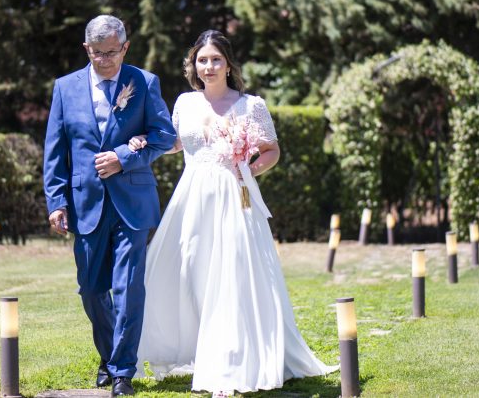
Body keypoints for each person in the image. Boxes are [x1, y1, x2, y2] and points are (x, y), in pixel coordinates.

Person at [131, 30, 336, 395]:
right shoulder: (185, 103)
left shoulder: (250, 105)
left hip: (236, 198)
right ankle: (191, 348)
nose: (208, 66)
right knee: (189, 272)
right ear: (193, 65)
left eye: (215, 60)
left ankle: (228, 365)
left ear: (228, 65)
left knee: (232, 275)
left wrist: (247, 168)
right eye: (202, 60)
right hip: (192, 198)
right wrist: (144, 141)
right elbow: (175, 144)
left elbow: (271, 150)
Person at [43, 15, 177, 397]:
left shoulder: (144, 82)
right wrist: (56, 201)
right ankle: (108, 356)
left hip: (132, 202)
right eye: (98, 53)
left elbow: (164, 135)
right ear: (86, 49)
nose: (105, 60)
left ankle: (122, 372)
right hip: (85, 202)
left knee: (128, 285)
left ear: (125, 47)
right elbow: (55, 151)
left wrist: (123, 156)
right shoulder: (65, 88)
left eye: (112, 53)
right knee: (91, 289)